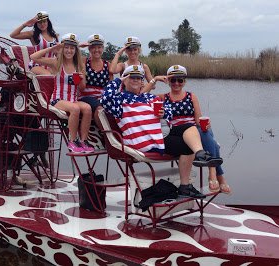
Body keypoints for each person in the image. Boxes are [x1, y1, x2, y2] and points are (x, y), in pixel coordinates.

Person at [100, 65, 223, 199]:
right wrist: (119, 80)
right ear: (125, 80)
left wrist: (164, 113)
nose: (136, 80)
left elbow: (169, 111)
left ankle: (201, 154)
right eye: (132, 77)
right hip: (146, 141)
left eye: (139, 77)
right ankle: (185, 187)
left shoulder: (149, 98)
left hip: (159, 135)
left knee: (189, 126)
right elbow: (105, 99)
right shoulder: (119, 100)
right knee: (187, 147)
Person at [148, 65, 231, 194]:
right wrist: (155, 79)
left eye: (180, 80)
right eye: (173, 80)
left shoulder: (191, 96)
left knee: (204, 131)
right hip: (177, 134)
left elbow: (198, 120)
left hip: (194, 133)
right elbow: (141, 95)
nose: (176, 83)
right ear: (168, 81)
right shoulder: (162, 98)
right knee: (212, 142)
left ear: (184, 82)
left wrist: (206, 125)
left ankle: (213, 172)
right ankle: (216, 175)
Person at [30, 33, 94, 153]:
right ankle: (72, 141)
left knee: (87, 108)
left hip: (72, 100)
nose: (69, 50)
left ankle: (83, 141)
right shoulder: (56, 63)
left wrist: (80, 79)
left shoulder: (79, 65)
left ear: (76, 50)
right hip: (57, 100)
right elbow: (33, 57)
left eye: (72, 48)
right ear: (62, 48)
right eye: (66, 47)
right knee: (75, 109)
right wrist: (53, 48)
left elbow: (82, 87)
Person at [78, 34, 113, 126]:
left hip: (102, 98)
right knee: (100, 109)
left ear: (103, 48)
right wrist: (78, 47)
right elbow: (81, 87)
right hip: (86, 97)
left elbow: (111, 87)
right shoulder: (84, 62)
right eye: (93, 47)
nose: (96, 50)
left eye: (99, 47)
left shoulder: (108, 65)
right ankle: (106, 135)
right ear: (89, 49)